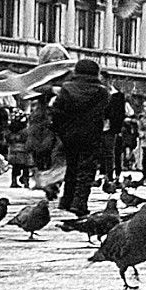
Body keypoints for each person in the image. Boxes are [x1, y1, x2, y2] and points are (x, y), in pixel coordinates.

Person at [48, 58, 119, 218]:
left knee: (71, 166)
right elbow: (106, 113)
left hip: (69, 134)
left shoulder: (66, 88)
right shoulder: (102, 92)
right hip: (91, 134)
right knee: (86, 169)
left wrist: (61, 129)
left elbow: (57, 111)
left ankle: (66, 200)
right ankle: (79, 203)